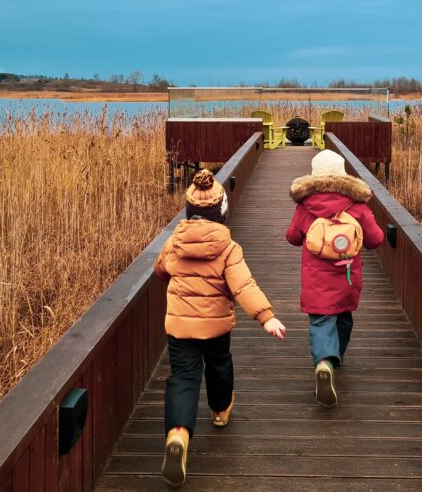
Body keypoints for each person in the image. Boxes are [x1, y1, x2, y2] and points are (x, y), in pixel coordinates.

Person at [155, 169, 286, 486]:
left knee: (183, 378)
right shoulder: (229, 249)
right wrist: (265, 316)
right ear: (222, 214)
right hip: (216, 327)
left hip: (180, 326)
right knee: (218, 366)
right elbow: (243, 286)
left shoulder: (174, 243)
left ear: (190, 212)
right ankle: (219, 410)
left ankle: (178, 434)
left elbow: (161, 270)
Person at [286, 149, 384, 407]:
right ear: (343, 173)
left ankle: (324, 362)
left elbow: (292, 237)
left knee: (321, 321)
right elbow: (376, 240)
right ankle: (334, 358)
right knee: (343, 319)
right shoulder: (358, 205)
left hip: (316, 280)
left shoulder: (306, 206)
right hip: (347, 277)